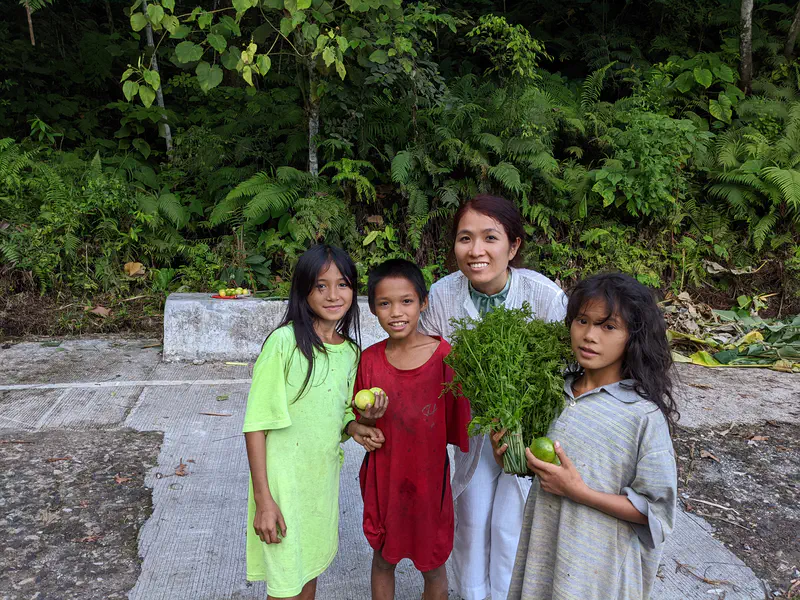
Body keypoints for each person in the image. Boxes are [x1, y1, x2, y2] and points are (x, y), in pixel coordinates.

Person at [419, 194, 567, 600]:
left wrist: (524, 430)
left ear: (513, 246)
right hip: (472, 430)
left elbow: (564, 372)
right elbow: (427, 364)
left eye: (490, 237)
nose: (476, 250)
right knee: (470, 519)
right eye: (465, 238)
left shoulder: (544, 296)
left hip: (528, 433)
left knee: (509, 527)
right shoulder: (443, 295)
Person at [502, 272, 679, 600]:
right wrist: (517, 460)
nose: (589, 335)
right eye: (582, 320)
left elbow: (656, 513)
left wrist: (579, 492)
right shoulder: (555, 392)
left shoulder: (641, 416)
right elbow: (549, 471)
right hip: (545, 550)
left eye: (608, 326)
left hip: (596, 569)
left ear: (633, 337)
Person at [242, 244, 384, 600]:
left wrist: (357, 425)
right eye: (321, 286)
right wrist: (264, 500)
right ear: (303, 290)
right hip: (283, 488)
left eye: (343, 284)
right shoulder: (284, 343)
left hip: (320, 487)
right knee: (287, 584)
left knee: (309, 573)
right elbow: (256, 425)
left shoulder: (350, 352)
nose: (333, 295)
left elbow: (338, 415)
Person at [354, 259, 471, 600]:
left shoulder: (445, 357)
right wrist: (368, 422)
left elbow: (457, 426)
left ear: (424, 302)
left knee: (433, 566)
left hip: (427, 483)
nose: (396, 312)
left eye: (406, 301)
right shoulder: (370, 360)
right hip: (385, 481)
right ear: (373, 308)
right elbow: (362, 428)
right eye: (384, 303)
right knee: (382, 559)